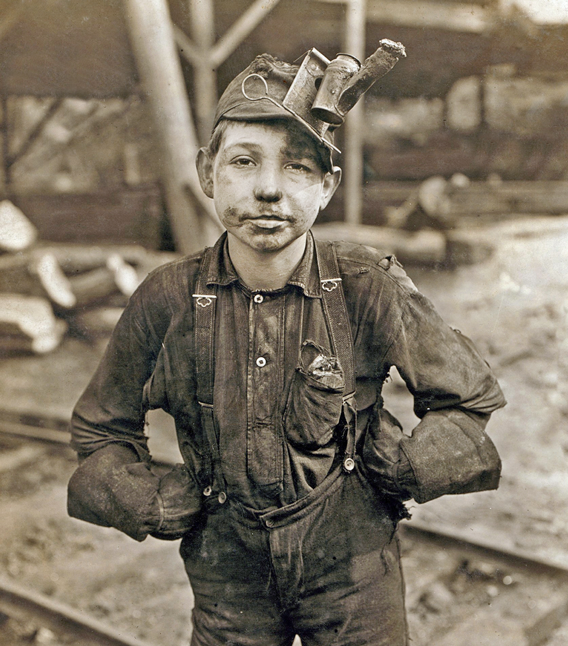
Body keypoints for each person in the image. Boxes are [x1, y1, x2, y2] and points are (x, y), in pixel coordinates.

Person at [68, 43, 506, 646]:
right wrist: (145, 499)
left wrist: (408, 464)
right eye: (244, 162)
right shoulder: (166, 300)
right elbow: (100, 430)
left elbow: (467, 401)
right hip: (228, 574)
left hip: (353, 566)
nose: (269, 190)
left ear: (327, 186)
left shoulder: (365, 284)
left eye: (298, 167)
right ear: (206, 173)